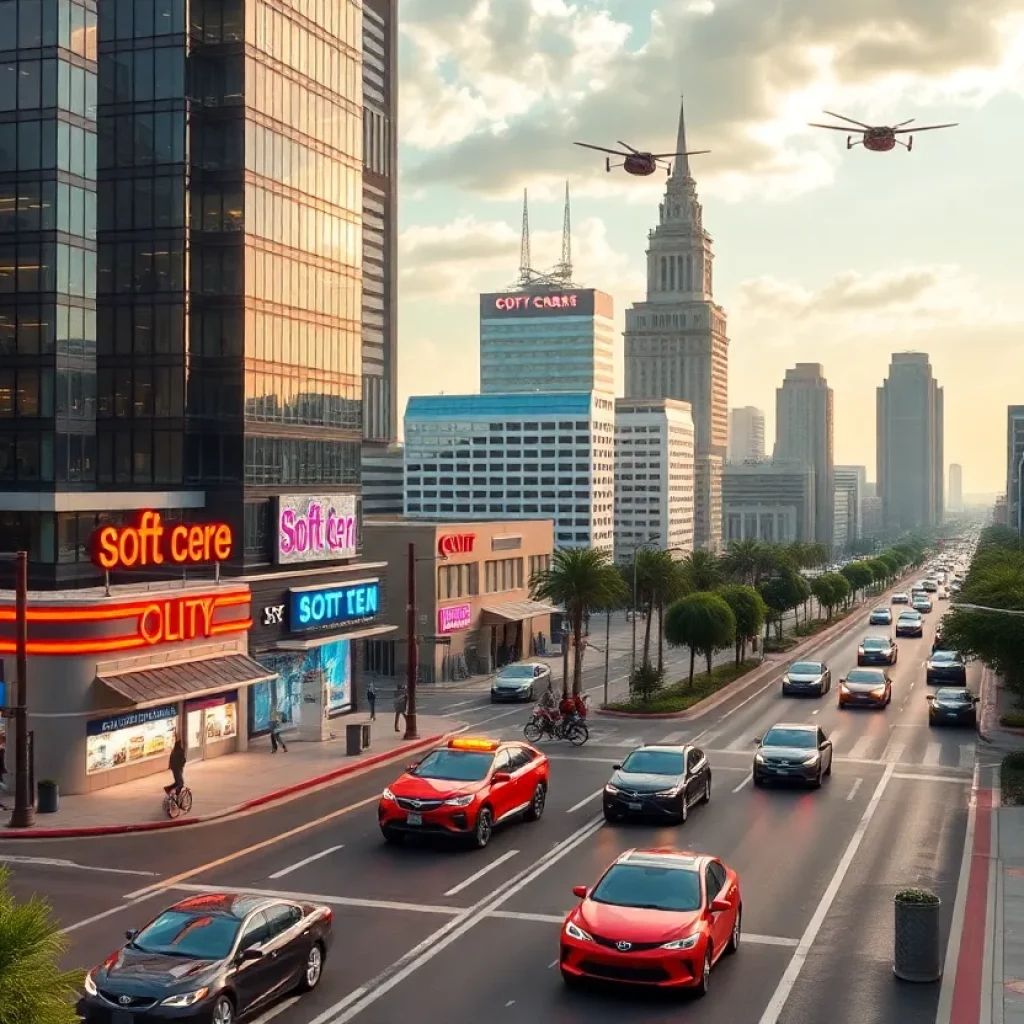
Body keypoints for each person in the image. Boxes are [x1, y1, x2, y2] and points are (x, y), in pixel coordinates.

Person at [163, 733, 186, 799]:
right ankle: (172, 790)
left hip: (174, 768)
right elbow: (183, 760)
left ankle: (170, 789)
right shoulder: (180, 751)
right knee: (181, 783)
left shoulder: (174, 751)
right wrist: (182, 764)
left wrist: (170, 766)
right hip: (178, 768)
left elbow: (170, 759)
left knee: (178, 781)